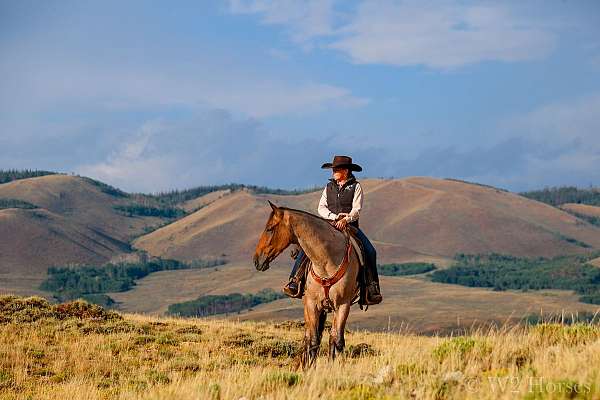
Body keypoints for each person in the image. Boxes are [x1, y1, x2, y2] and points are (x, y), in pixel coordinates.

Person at [283, 155, 383, 305]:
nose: (333, 172)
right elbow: (321, 207)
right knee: (307, 247)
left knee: (370, 251)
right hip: (328, 224)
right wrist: (334, 217)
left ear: (346, 171)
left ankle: (371, 288)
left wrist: (346, 219)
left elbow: (357, 209)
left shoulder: (356, 187)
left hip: (349, 226)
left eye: (336, 169)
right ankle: (295, 280)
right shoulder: (328, 187)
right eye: (333, 169)